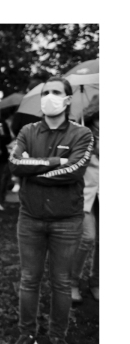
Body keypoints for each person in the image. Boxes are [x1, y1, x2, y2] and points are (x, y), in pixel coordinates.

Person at [8, 77, 93, 344]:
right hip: (30, 218)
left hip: (67, 221)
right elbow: (15, 164)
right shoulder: (27, 131)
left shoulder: (82, 134)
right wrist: (55, 162)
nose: (50, 97)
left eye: (56, 93)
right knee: (29, 280)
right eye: (46, 93)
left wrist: (35, 169)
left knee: (61, 282)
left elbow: (76, 171)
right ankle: (27, 334)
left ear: (68, 100)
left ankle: (58, 337)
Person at [70, 95, 99, 303]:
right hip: (87, 192)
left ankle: (97, 281)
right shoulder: (81, 133)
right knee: (87, 237)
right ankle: (71, 282)